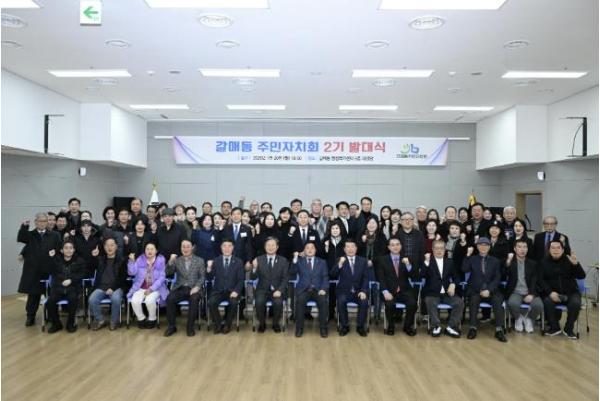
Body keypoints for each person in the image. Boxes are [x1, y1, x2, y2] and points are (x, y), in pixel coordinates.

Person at [17, 213, 62, 326]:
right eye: (40, 221)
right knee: (33, 295)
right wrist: (24, 227)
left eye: (44, 221)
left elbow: (60, 248)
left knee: (51, 294)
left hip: (49, 269)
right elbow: (21, 238)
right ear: (36, 222)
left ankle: (51, 316)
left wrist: (56, 252)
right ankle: (30, 316)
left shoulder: (55, 235)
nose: (42, 223)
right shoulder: (30, 234)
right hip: (33, 270)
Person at [462, 237, 507, 342]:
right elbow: (464, 269)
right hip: (475, 290)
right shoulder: (472, 259)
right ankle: (472, 328)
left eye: (486, 245)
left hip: (491, 290)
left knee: (497, 300)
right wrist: (467, 255)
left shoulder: (495, 261)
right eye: (481, 245)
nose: (483, 247)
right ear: (477, 247)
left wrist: (489, 290)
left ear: (489, 247)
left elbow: (497, 278)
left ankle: (499, 329)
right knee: (473, 300)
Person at [539, 240, 586, 339]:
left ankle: (568, 329)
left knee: (575, 303)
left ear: (563, 250)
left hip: (571, 293)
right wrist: (550, 292)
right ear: (549, 250)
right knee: (547, 301)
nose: (555, 250)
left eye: (558, 248)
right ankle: (554, 327)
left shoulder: (569, 260)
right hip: (553, 293)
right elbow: (541, 280)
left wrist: (576, 264)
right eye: (553, 248)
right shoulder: (543, 262)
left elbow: (581, 276)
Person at [375, 238, 418, 336]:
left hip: (405, 291)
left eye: (398, 244)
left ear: (401, 246)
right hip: (389, 291)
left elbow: (414, 276)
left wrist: (408, 265)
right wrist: (385, 292)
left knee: (413, 304)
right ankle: (390, 326)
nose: (395, 247)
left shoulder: (407, 259)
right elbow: (380, 278)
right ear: (389, 247)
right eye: (393, 245)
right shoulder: (382, 260)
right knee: (390, 305)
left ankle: (407, 327)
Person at [421, 240, 463, 338]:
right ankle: (435, 326)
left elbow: (457, 277)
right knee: (430, 301)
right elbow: (421, 275)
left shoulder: (450, 262)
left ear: (445, 250)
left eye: (441, 248)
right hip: (432, 293)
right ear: (432, 249)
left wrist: (453, 284)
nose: (439, 250)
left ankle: (451, 327)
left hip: (447, 293)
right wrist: (426, 262)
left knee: (459, 302)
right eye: (436, 248)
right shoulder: (428, 262)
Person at [164, 240, 206, 337]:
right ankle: (171, 326)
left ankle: (190, 327)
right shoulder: (177, 260)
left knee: (194, 299)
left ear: (192, 248)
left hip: (194, 288)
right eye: (183, 246)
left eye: (188, 247)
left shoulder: (199, 260)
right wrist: (170, 262)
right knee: (170, 298)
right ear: (181, 248)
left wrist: (197, 287)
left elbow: (202, 277)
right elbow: (168, 272)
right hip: (180, 288)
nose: (185, 249)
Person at [329, 239, 370, 337]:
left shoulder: (363, 261)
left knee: (364, 301)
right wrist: (339, 264)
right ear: (344, 249)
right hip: (343, 291)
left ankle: (360, 326)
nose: (350, 249)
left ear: (356, 248)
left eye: (352, 246)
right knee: (341, 301)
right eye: (348, 247)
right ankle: (345, 326)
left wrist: (364, 291)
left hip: (358, 291)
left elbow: (366, 278)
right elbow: (332, 274)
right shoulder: (340, 259)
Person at [290, 242, 329, 338]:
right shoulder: (299, 261)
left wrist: (324, 289)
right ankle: (299, 329)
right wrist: (295, 259)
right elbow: (292, 272)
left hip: (318, 290)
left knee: (323, 301)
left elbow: (325, 277)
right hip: (304, 290)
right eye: (307, 248)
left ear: (315, 250)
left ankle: (323, 329)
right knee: (300, 301)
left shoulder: (322, 262)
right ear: (304, 251)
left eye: (312, 248)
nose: (310, 250)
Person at [46, 241, 86, 333]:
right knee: (50, 303)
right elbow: (50, 270)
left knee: (73, 301)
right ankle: (57, 324)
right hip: (58, 288)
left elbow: (82, 274)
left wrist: (71, 280)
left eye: (71, 248)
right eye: (66, 248)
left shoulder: (79, 261)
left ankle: (70, 324)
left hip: (73, 288)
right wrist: (50, 258)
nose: (68, 250)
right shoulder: (56, 260)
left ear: (74, 250)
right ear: (62, 250)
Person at [250, 237, 289, 333]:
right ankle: (262, 324)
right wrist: (254, 268)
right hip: (262, 289)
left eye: (273, 245)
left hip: (277, 289)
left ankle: (275, 324)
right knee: (259, 302)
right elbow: (252, 277)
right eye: (268, 245)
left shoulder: (283, 261)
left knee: (278, 302)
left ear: (277, 247)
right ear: (264, 247)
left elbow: (285, 278)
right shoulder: (259, 259)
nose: (270, 247)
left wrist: (279, 290)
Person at [207, 239, 245, 334]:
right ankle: (218, 324)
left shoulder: (238, 262)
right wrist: (208, 268)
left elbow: (241, 279)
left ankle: (227, 325)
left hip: (232, 291)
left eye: (229, 246)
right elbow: (210, 277)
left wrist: (236, 291)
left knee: (233, 302)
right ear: (221, 248)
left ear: (233, 248)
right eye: (224, 246)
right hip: (218, 291)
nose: (227, 248)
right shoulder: (216, 261)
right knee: (211, 302)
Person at [504, 240, 543, 334]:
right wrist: (508, 261)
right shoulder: (510, 262)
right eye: (519, 247)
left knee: (538, 305)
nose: (522, 249)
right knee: (512, 303)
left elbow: (535, 280)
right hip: (515, 291)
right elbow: (504, 273)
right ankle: (518, 318)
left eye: (525, 247)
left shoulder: (533, 263)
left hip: (529, 291)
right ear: (515, 249)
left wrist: (531, 294)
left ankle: (529, 319)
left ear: (527, 249)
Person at [88, 237, 127, 331]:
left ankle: (114, 321)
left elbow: (122, 278)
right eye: (107, 245)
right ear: (104, 247)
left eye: (112, 245)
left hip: (116, 287)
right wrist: (93, 257)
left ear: (116, 247)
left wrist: (112, 288)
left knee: (116, 299)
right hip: (101, 287)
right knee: (92, 299)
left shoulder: (122, 260)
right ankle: (100, 320)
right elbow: (90, 269)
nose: (109, 247)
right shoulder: (100, 259)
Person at [127, 242, 168, 329]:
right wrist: (132, 261)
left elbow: (162, 278)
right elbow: (132, 273)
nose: (149, 251)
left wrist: (151, 289)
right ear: (145, 251)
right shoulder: (140, 259)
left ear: (156, 251)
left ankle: (152, 319)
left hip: (156, 288)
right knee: (134, 301)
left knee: (149, 300)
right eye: (147, 249)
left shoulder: (161, 260)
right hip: (140, 287)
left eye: (152, 249)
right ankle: (141, 318)